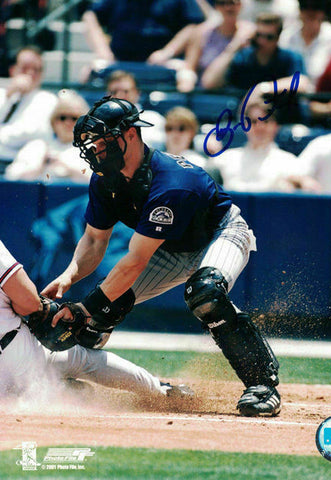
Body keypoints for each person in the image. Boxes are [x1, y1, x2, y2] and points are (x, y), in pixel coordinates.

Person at [41, 96, 282, 417]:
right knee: (99, 313)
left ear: (129, 135)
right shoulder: (105, 180)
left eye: (102, 140)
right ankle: (71, 378)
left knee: (206, 293)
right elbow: (95, 239)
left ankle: (262, 385)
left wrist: (85, 306)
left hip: (220, 233)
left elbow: (135, 262)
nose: (95, 148)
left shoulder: (171, 183)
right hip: (169, 248)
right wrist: (70, 274)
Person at [0, 239, 190, 400]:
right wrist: (41, 310)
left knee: (43, 382)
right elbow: (28, 303)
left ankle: (56, 389)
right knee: (83, 359)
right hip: (18, 360)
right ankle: (161, 391)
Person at [150, 0, 256, 93]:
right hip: (204, 90)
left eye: (232, 2)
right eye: (222, 3)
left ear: (241, 5)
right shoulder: (203, 33)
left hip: (235, 90)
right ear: (216, 6)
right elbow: (191, 66)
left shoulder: (248, 32)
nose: (227, 7)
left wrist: (236, 43)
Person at [201, 12, 309, 93]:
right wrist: (234, 47)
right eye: (259, 35)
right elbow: (209, 83)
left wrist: (263, 88)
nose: (262, 41)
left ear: (278, 38)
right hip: (244, 118)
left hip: (281, 118)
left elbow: (302, 83)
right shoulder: (243, 57)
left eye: (269, 37)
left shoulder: (290, 57)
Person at [211, 99, 301, 192]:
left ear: (275, 126)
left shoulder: (290, 162)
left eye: (265, 121)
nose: (259, 127)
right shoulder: (226, 158)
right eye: (253, 122)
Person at [4, 90, 92, 183]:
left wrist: (66, 166)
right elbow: (10, 179)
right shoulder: (37, 147)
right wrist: (38, 165)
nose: (67, 123)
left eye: (74, 118)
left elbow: (99, 183)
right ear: (53, 122)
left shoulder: (93, 148)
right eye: (62, 118)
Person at [81, 0, 206, 65]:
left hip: (164, 64)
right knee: (90, 72)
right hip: (118, 62)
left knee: (186, 77)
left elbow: (193, 23)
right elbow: (90, 15)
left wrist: (168, 52)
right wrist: (103, 51)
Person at [0, 45, 58, 162]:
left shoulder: (48, 100)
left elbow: (34, 132)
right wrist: (9, 96)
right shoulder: (2, 95)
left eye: (36, 69)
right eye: (25, 68)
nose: (31, 73)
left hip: (25, 161)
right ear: (13, 70)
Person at [279, 0, 331, 86]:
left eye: (315, 7)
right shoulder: (286, 36)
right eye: (305, 7)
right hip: (289, 94)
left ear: (323, 11)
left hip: (323, 96)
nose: (310, 12)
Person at [106, 70, 166, 147]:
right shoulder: (99, 122)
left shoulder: (154, 119)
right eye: (114, 92)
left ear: (137, 93)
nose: (119, 96)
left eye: (126, 91)